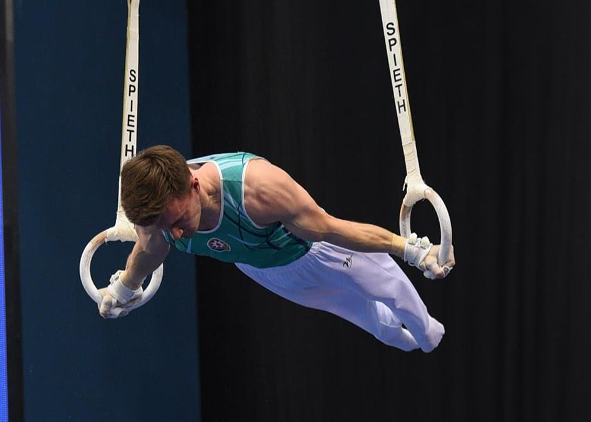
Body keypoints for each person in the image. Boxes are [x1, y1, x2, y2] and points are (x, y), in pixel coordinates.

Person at [99, 146, 455, 352]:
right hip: (267, 272)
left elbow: (332, 228)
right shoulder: (156, 216)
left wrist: (410, 250)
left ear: (193, 185)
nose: (175, 233)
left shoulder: (258, 189)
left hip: (320, 251)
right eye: (165, 226)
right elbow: (149, 252)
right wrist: (125, 289)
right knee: (373, 322)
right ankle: (408, 339)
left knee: (393, 293)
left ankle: (431, 337)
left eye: (178, 220)